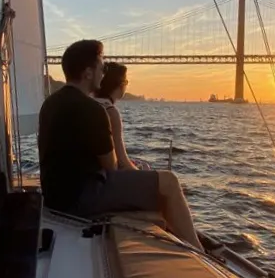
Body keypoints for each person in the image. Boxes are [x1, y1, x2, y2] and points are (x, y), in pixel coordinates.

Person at [38, 40, 203, 251]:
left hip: (54, 198)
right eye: (102, 66)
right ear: (88, 72)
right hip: (81, 199)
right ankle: (199, 250)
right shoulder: (92, 110)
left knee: (150, 181)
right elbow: (111, 165)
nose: (104, 73)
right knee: (169, 182)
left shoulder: (49, 104)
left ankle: (183, 239)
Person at [94, 62, 145, 171]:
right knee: (169, 179)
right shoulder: (111, 112)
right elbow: (122, 162)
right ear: (120, 84)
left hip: (84, 173)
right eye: (126, 82)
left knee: (140, 164)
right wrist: (139, 172)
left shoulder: (88, 103)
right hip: (102, 177)